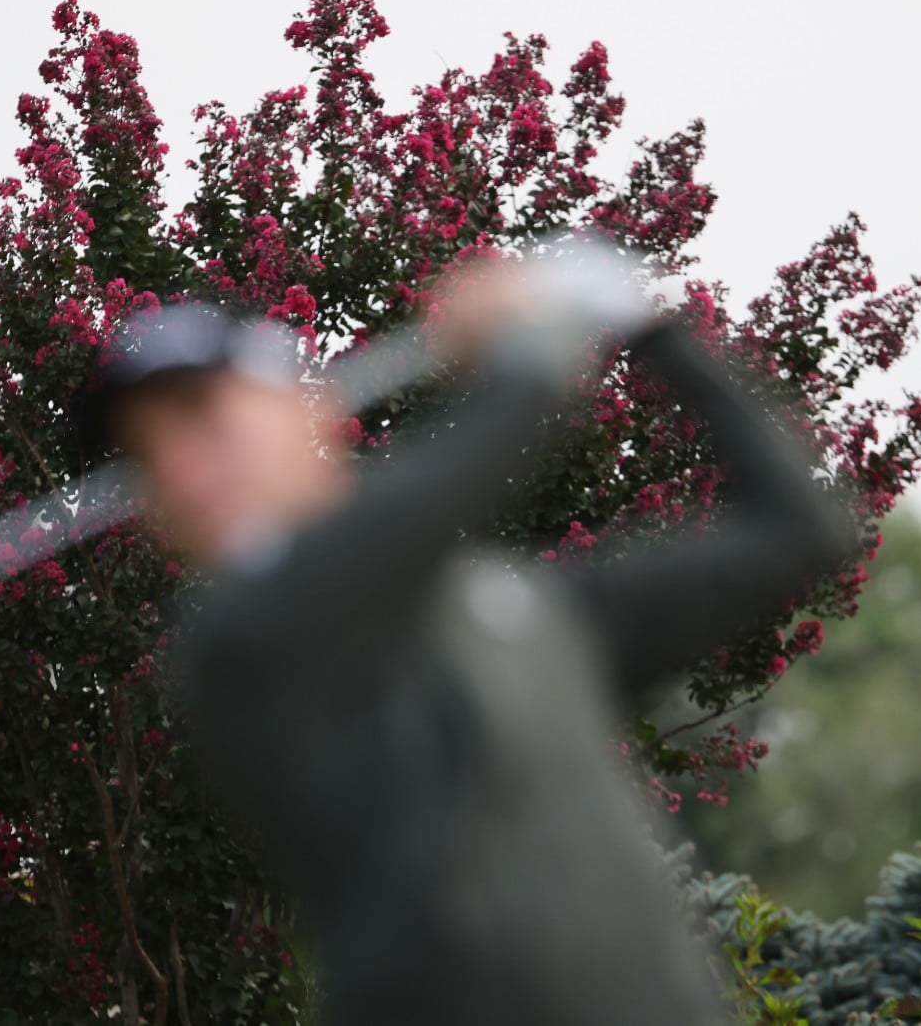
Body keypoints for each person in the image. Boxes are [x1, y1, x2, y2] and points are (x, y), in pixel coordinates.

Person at [84, 254, 856, 1025]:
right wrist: (524, 351)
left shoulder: (512, 606)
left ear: (303, 406)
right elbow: (445, 479)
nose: (178, 469)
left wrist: (655, 332)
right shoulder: (239, 639)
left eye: (201, 418)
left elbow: (798, 530)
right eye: (144, 458)